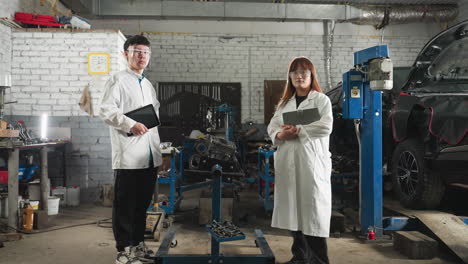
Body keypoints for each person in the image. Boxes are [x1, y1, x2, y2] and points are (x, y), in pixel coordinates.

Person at [99, 35, 161, 264]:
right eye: (137, 51)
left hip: (148, 156)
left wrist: (157, 152)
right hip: (128, 156)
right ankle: (123, 250)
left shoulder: (147, 84)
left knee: (142, 205)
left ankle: (137, 245)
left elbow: (154, 121)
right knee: (125, 205)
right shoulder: (118, 80)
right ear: (126, 54)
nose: (142, 56)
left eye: (146, 52)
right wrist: (130, 124)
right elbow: (105, 110)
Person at [267, 57, 333, 264]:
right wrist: (279, 135)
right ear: (290, 77)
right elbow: (272, 126)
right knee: (293, 212)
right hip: (288, 164)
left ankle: (319, 261)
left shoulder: (321, 100)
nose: (299, 76)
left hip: (311, 165)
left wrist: (298, 131)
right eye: (295, 72)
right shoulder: (285, 104)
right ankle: (300, 257)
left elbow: (325, 126)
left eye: (304, 72)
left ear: (311, 75)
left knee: (313, 214)